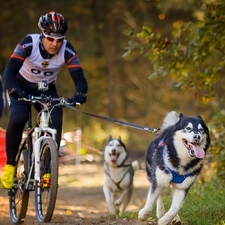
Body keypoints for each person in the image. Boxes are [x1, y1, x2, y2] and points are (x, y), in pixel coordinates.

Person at [1, 12, 88, 189]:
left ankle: (47, 169)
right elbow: (9, 71)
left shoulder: (68, 50)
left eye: (59, 39)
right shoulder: (28, 43)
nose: (55, 44)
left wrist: (80, 93)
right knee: (18, 117)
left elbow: (79, 77)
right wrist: (13, 89)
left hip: (46, 89)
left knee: (56, 118)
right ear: (42, 35)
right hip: (20, 86)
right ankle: (10, 165)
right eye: (50, 38)